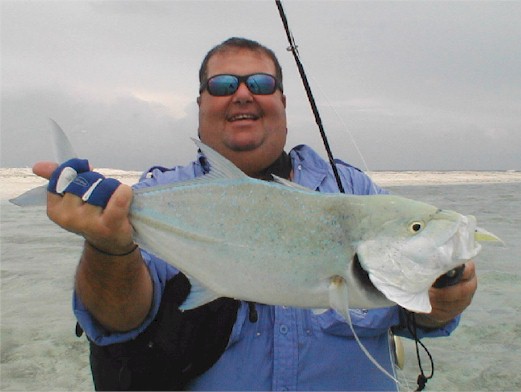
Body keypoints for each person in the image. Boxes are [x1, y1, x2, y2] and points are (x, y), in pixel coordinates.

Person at [34, 37, 477, 391]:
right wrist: (109, 248)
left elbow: (419, 314)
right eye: (224, 85)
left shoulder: (354, 193)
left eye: (260, 85)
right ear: (201, 103)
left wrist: (443, 300)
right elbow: (117, 322)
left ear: (283, 101)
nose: (243, 94)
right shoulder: (156, 195)